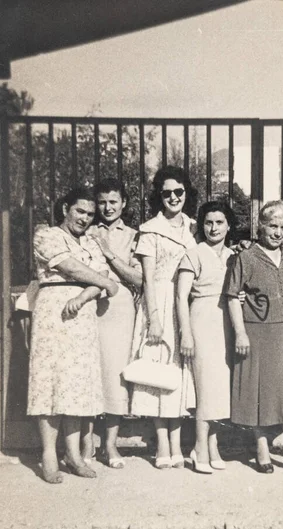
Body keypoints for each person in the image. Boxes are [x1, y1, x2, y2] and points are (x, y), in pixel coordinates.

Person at [27, 186, 118, 484]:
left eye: (90, 214)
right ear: (66, 208)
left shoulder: (91, 243)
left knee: (76, 383)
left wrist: (86, 295)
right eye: (80, 211)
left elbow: (95, 280)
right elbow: (72, 268)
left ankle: (75, 455)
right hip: (53, 312)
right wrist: (104, 282)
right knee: (50, 382)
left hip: (82, 314)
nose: (85, 218)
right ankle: (49, 455)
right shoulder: (47, 234)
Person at [225, 201, 283, 475]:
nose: (277, 232)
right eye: (272, 226)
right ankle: (262, 447)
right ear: (260, 226)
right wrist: (240, 332)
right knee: (258, 391)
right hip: (255, 331)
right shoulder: (246, 257)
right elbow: (231, 296)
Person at [130, 166, 197, 469]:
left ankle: (177, 442)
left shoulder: (194, 228)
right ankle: (161, 444)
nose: (173, 197)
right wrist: (154, 319)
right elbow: (147, 279)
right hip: (158, 304)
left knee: (180, 376)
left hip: (186, 306)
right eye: (167, 192)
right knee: (158, 376)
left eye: (179, 192)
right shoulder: (150, 229)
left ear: (186, 193)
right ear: (159, 196)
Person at [81, 178, 142, 469]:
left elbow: (138, 278)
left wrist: (108, 253)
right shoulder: (84, 229)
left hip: (118, 308)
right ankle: (85, 442)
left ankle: (110, 445)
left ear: (124, 204)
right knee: (89, 372)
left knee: (115, 377)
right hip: (88, 304)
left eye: (113, 202)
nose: (107, 207)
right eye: (102, 202)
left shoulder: (133, 235)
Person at [177, 201, 236, 474]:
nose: (213, 228)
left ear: (228, 225)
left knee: (219, 389)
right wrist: (186, 333)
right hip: (202, 320)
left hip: (226, 323)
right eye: (208, 222)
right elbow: (180, 296)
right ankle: (199, 448)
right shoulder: (194, 253)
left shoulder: (234, 255)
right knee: (205, 387)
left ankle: (213, 446)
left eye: (219, 222)